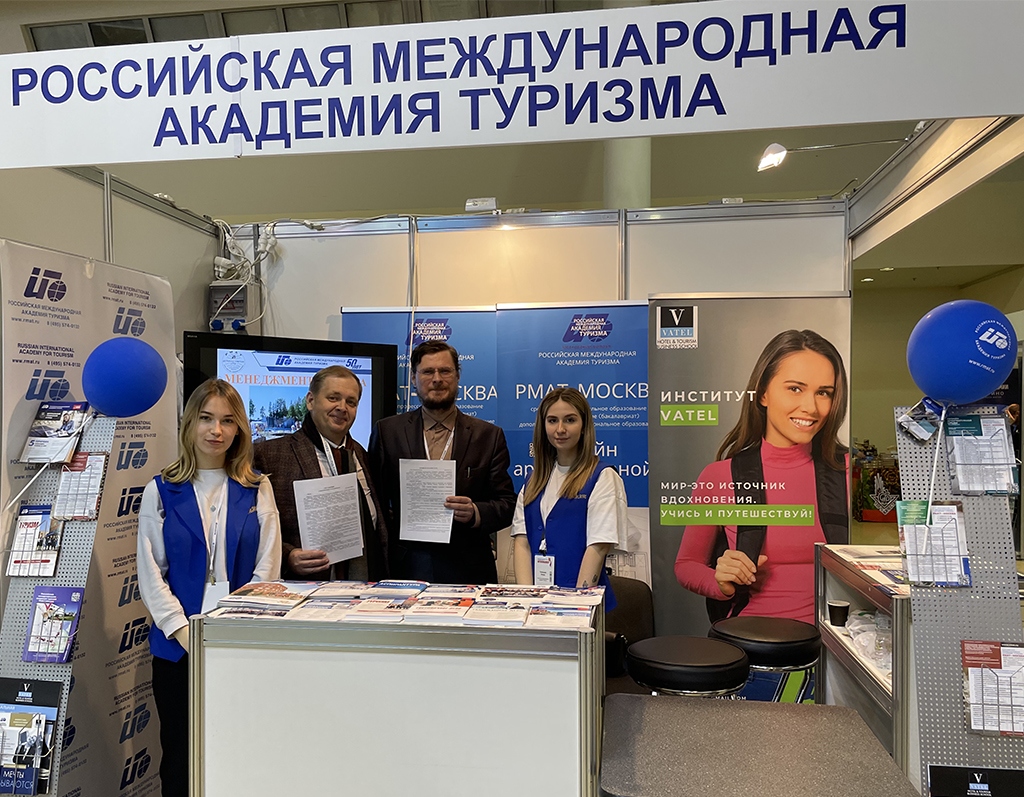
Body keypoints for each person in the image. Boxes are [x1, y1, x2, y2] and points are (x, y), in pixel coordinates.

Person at [137, 379, 281, 797]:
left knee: (240, 753)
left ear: (239, 429)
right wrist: (183, 632)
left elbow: (267, 567)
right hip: (177, 648)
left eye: (227, 421)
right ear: (189, 424)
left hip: (241, 642)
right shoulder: (160, 489)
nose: (216, 430)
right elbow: (151, 571)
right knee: (180, 758)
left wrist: (235, 627)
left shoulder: (257, 487)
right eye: (206, 418)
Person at [675, 329, 849, 624]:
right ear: (763, 393)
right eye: (795, 388)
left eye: (824, 393)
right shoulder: (720, 476)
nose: (811, 407)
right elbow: (686, 565)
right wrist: (720, 581)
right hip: (751, 640)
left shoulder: (850, 471)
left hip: (839, 641)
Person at [369, 340, 515, 584]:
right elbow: (376, 502)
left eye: (445, 371)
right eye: (427, 372)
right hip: (405, 567)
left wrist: (476, 512)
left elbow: (507, 504)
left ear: (457, 376)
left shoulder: (489, 436)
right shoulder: (387, 432)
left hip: (469, 569)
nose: (437, 379)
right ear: (413, 379)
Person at [253, 365, 388, 581]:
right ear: (310, 401)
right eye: (333, 398)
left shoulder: (361, 455)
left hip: (365, 589)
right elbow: (251, 527)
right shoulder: (269, 454)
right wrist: (287, 555)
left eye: (351, 402)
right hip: (305, 590)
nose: (342, 407)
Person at [510, 388, 627, 610]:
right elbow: (522, 543)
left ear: (584, 426)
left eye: (570, 420)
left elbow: (598, 547)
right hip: (538, 606)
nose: (560, 429)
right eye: (552, 420)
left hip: (582, 606)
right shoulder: (533, 480)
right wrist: (528, 601)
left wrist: (576, 607)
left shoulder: (602, 476)